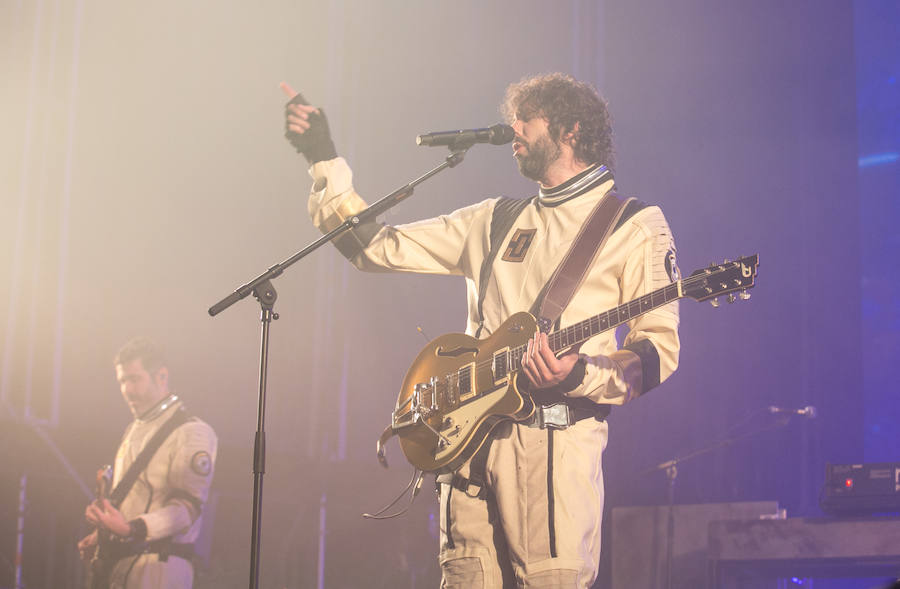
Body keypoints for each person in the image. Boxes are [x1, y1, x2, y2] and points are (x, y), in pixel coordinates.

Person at [282, 73, 680, 588]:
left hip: (553, 454)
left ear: (570, 131)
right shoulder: (494, 219)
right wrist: (322, 156)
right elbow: (375, 246)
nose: (512, 127)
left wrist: (578, 373)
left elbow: (657, 352)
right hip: (468, 449)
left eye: (527, 117)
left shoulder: (634, 224)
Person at [77, 337, 217, 588]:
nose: (127, 389)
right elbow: (136, 500)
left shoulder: (192, 432)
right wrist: (104, 532)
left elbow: (186, 510)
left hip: (161, 568)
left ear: (161, 376)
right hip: (124, 564)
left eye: (135, 379)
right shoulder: (133, 430)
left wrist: (131, 529)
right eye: (122, 380)